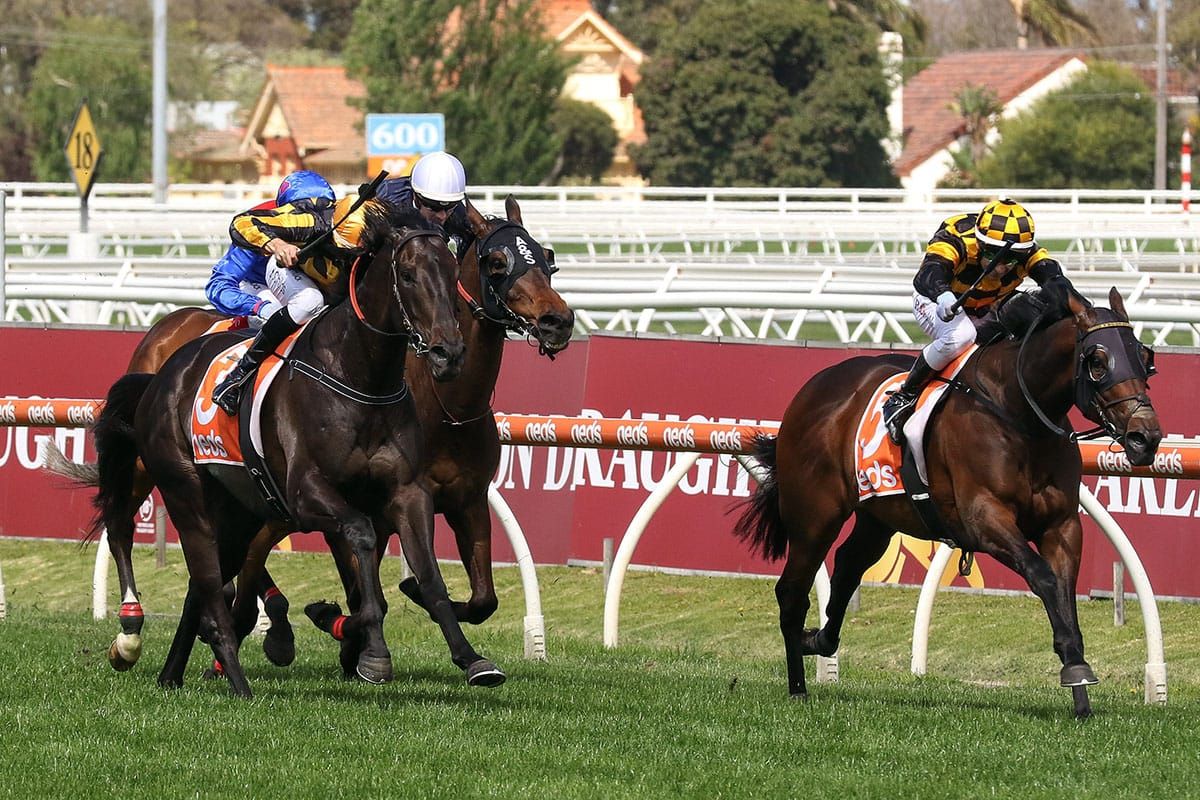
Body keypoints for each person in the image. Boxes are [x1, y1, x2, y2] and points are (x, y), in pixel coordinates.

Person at [880, 198, 1076, 444]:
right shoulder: (957, 236)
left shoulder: (1027, 253)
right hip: (935, 299)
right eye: (994, 255)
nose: (1002, 266)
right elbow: (928, 275)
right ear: (981, 243)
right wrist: (943, 295)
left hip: (987, 306)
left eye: (1012, 260)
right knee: (961, 336)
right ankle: (904, 395)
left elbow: (1056, 281)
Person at [204, 170, 337, 328]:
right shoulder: (262, 225)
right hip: (257, 285)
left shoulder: (336, 222)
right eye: (302, 212)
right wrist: (259, 307)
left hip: (299, 285)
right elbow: (218, 285)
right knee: (303, 305)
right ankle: (252, 352)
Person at [376, 151, 473, 250]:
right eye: (434, 208)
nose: (442, 216)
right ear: (416, 198)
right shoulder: (389, 201)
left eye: (449, 208)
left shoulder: (456, 210)